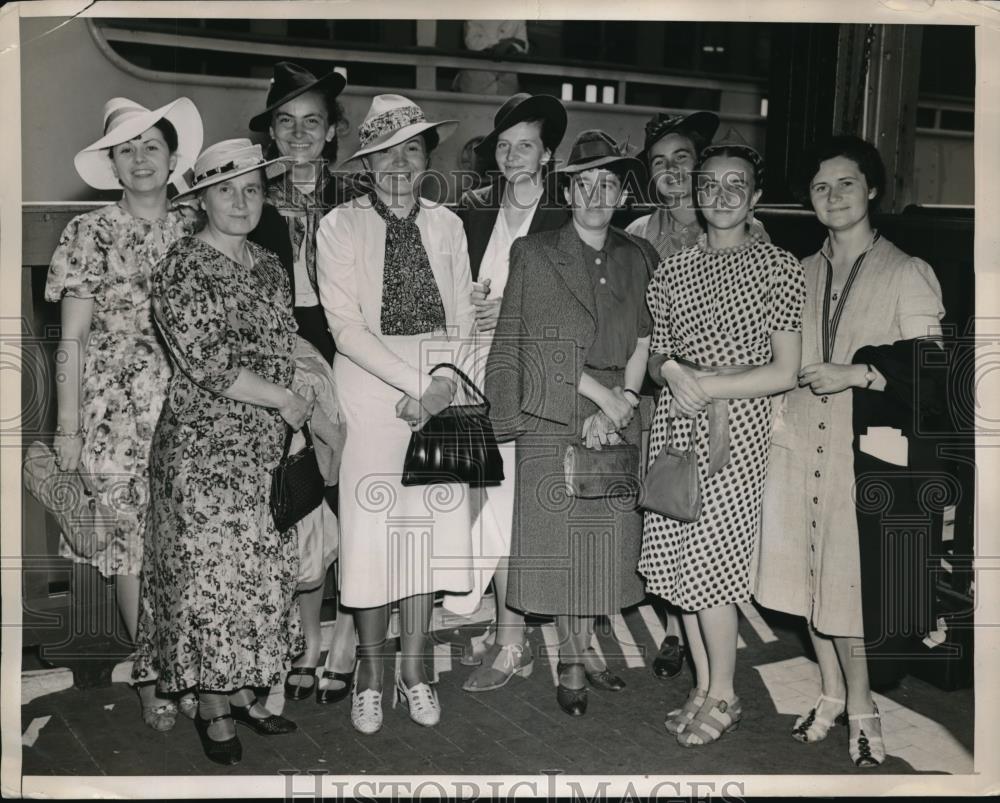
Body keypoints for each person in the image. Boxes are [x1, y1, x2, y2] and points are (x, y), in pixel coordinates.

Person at [754, 135, 946, 768]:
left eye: (845, 183)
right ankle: (831, 693)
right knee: (809, 581)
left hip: (863, 451)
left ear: (872, 191)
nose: (832, 196)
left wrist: (857, 372)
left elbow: (937, 369)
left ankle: (863, 706)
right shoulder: (795, 272)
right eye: (819, 187)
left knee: (849, 586)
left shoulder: (906, 270)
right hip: (797, 440)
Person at [132, 139, 307, 766]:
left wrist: (297, 415)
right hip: (204, 449)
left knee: (259, 573)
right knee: (208, 577)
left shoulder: (266, 263)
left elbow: (286, 343)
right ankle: (211, 704)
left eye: (253, 189)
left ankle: (246, 693)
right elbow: (208, 364)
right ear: (201, 198)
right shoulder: (181, 265)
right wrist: (286, 400)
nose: (240, 200)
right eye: (226, 189)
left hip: (264, 445)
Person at [484, 130, 659, 717]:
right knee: (561, 544)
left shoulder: (637, 256)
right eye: (585, 183)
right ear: (570, 189)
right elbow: (523, 341)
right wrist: (599, 403)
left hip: (620, 407)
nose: (596, 194)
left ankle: (585, 646)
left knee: (603, 543)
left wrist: (627, 399)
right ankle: (571, 660)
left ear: (621, 192)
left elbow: (643, 337)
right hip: (554, 408)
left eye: (608, 183)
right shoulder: (534, 254)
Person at [316, 95, 475, 735]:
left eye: (412, 150)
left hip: (438, 385)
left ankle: (416, 671)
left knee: (423, 540)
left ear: (426, 157)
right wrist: (416, 385)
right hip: (369, 392)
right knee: (372, 536)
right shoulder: (339, 226)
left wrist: (438, 385)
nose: (399, 163)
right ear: (367, 162)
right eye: (385, 153)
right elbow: (346, 329)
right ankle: (371, 674)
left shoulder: (448, 225)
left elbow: (462, 315)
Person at [639, 138, 805, 746]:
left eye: (737, 184)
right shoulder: (674, 267)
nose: (723, 195)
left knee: (712, 567)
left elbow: (785, 370)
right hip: (677, 427)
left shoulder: (778, 267)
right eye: (710, 184)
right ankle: (703, 687)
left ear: (756, 196)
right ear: (695, 193)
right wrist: (674, 373)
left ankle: (728, 695)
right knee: (679, 566)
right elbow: (657, 358)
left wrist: (702, 382)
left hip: (735, 432)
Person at [45, 96, 203, 732]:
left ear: (172, 158)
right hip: (116, 417)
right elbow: (72, 341)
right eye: (127, 149)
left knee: (188, 543)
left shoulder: (198, 225)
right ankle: (152, 672)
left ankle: (190, 666)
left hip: (193, 411)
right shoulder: (89, 232)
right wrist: (68, 428)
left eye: (151, 147)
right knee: (131, 549)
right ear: (112, 163)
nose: (140, 159)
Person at [443, 93, 569, 693]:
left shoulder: (565, 219)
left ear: (548, 154)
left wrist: (514, 318)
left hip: (532, 382)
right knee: (483, 506)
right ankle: (502, 625)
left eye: (526, 144)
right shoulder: (470, 218)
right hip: (473, 376)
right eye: (504, 145)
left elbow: (577, 311)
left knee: (512, 508)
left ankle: (515, 640)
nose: (514, 155)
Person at [247, 60, 359, 707]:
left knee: (351, 493)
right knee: (302, 497)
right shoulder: (250, 200)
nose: (298, 134)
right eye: (285, 123)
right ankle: (308, 635)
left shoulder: (354, 200)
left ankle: (345, 634)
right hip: (279, 355)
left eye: (311, 122)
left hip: (346, 350)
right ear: (272, 133)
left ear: (330, 132)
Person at [624, 110, 719, 681]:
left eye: (681, 157)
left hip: (725, 397)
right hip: (659, 397)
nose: (671, 170)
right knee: (664, 506)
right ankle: (673, 628)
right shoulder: (636, 237)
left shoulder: (739, 227)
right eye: (659, 162)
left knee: (708, 515)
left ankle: (702, 629)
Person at [452, 20, 528, 95]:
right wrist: (507, 43)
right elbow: (473, 42)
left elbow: (523, 45)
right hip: (476, 83)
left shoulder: (518, 15)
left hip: (507, 85)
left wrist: (509, 45)